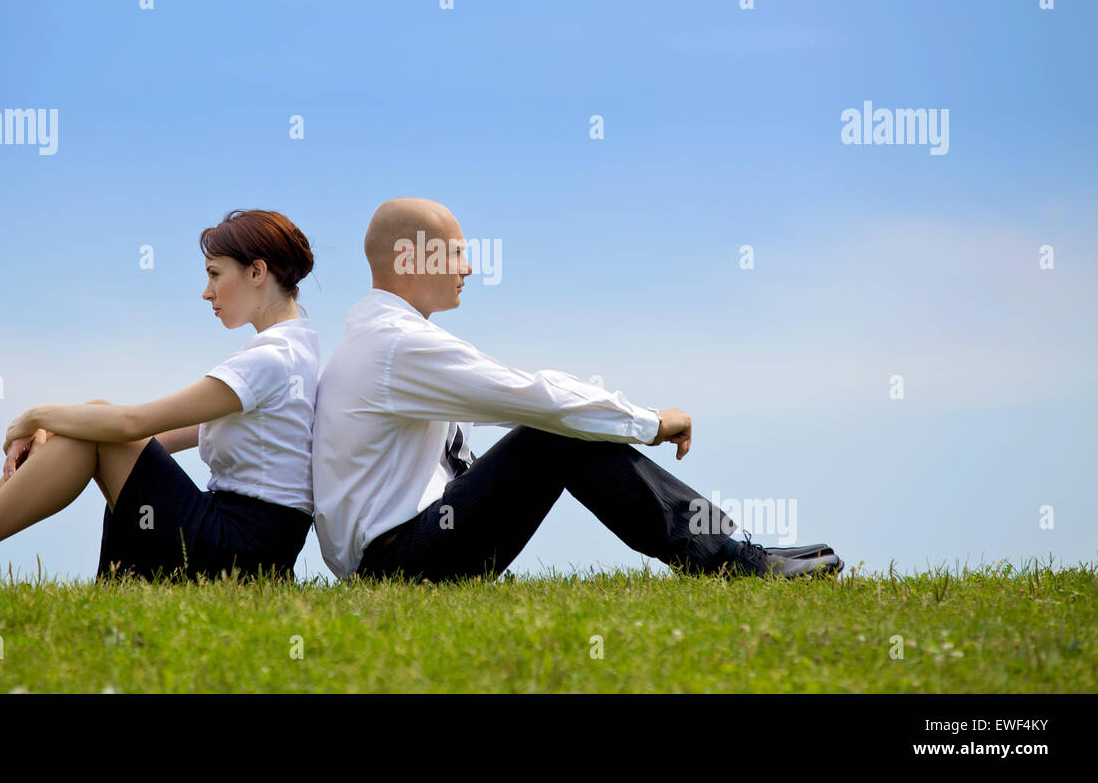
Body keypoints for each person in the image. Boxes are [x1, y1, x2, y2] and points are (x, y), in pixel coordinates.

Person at [311, 197, 843, 583]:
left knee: (554, 431)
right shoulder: (395, 345)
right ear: (408, 260)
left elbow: (515, 401)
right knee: (554, 435)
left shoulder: (387, 341)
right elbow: (536, 397)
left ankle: (727, 553)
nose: (468, 268)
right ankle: (729, 560)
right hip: (399, 563)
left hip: (399, 555)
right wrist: (650, 422)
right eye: (454, 254)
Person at [0, 209, 320, 584]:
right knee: (91, 421)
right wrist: (57, 430)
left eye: (215, 274)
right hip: (243, 545)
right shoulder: (289, 351)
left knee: (97, 418)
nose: (206, 291)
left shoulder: (272, 357)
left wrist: (31, 416)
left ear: (257, 271)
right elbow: (161, 433)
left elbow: (133, 426)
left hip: (240, 552)